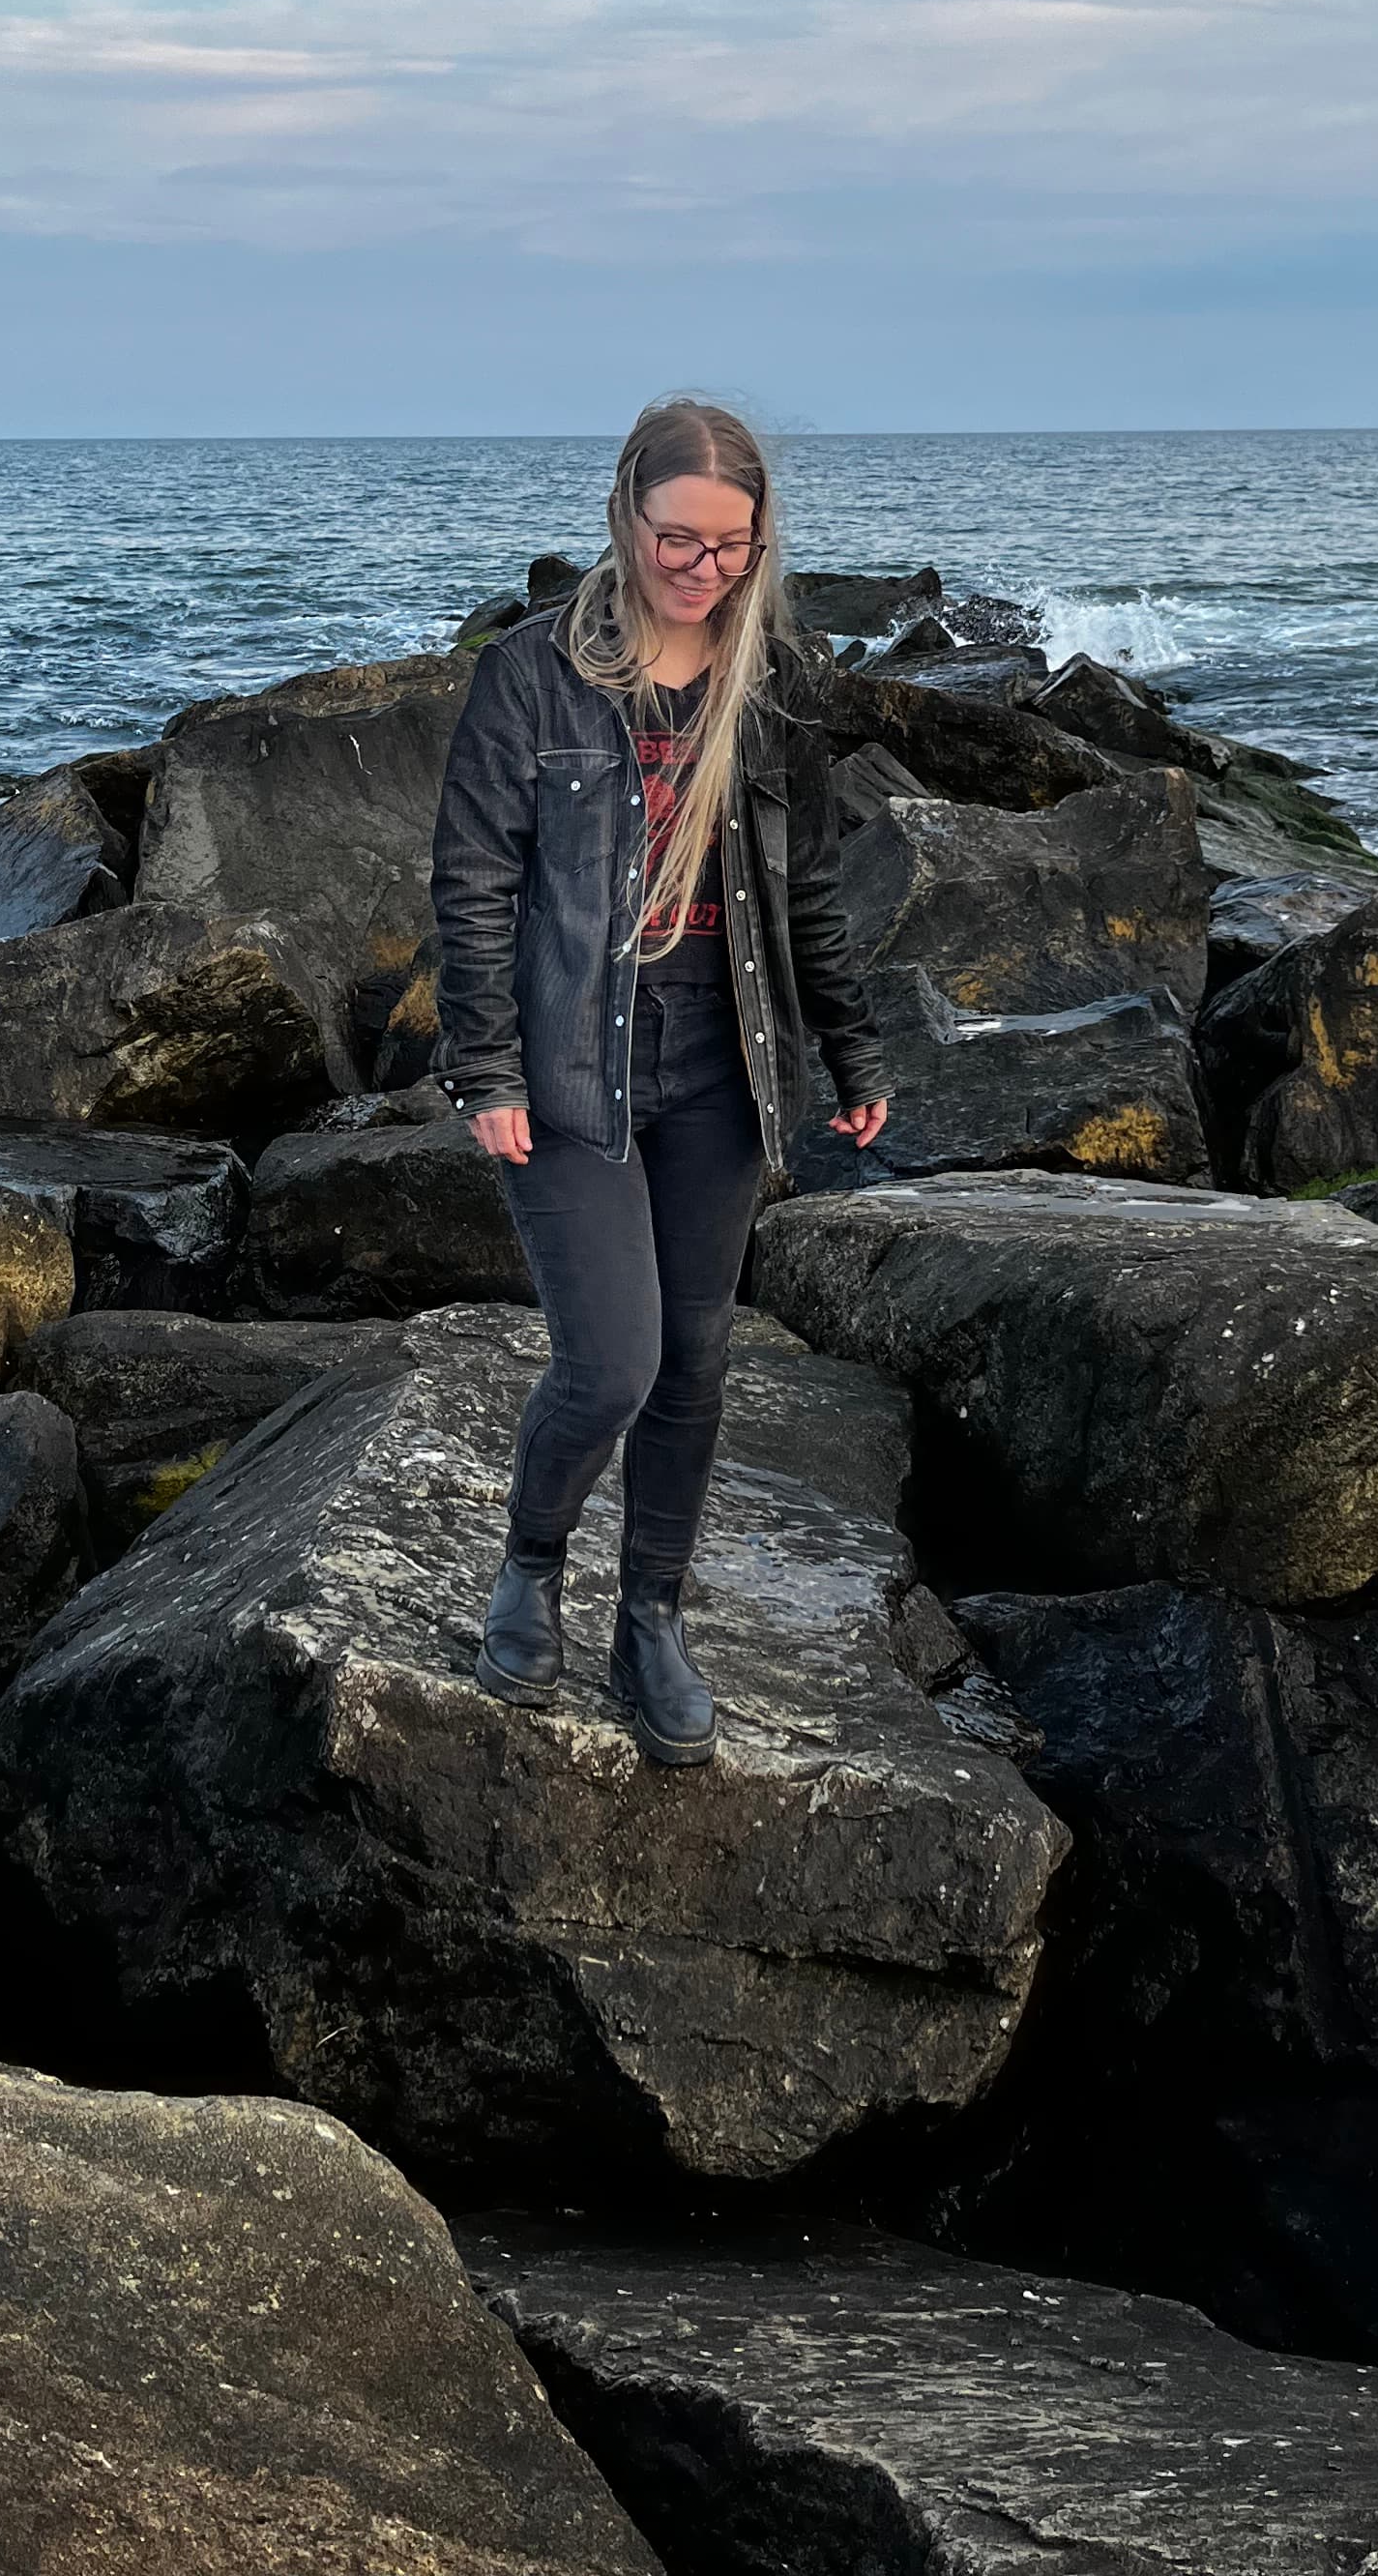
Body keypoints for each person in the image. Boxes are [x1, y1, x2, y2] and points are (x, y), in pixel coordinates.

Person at [428, 396, 891, 1768]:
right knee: (614, 1363)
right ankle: (529, 1564)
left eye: (732, 545)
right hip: (576, 1064)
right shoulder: (529, 679)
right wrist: (485, 1069)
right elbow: (471, 888)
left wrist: (852, 1052)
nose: (703, 568)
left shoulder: (773, 685)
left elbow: (804, 890)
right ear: (625, 516)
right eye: (677, 538)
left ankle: (653, 1617)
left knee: (696, 1363)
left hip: (724, 1067)